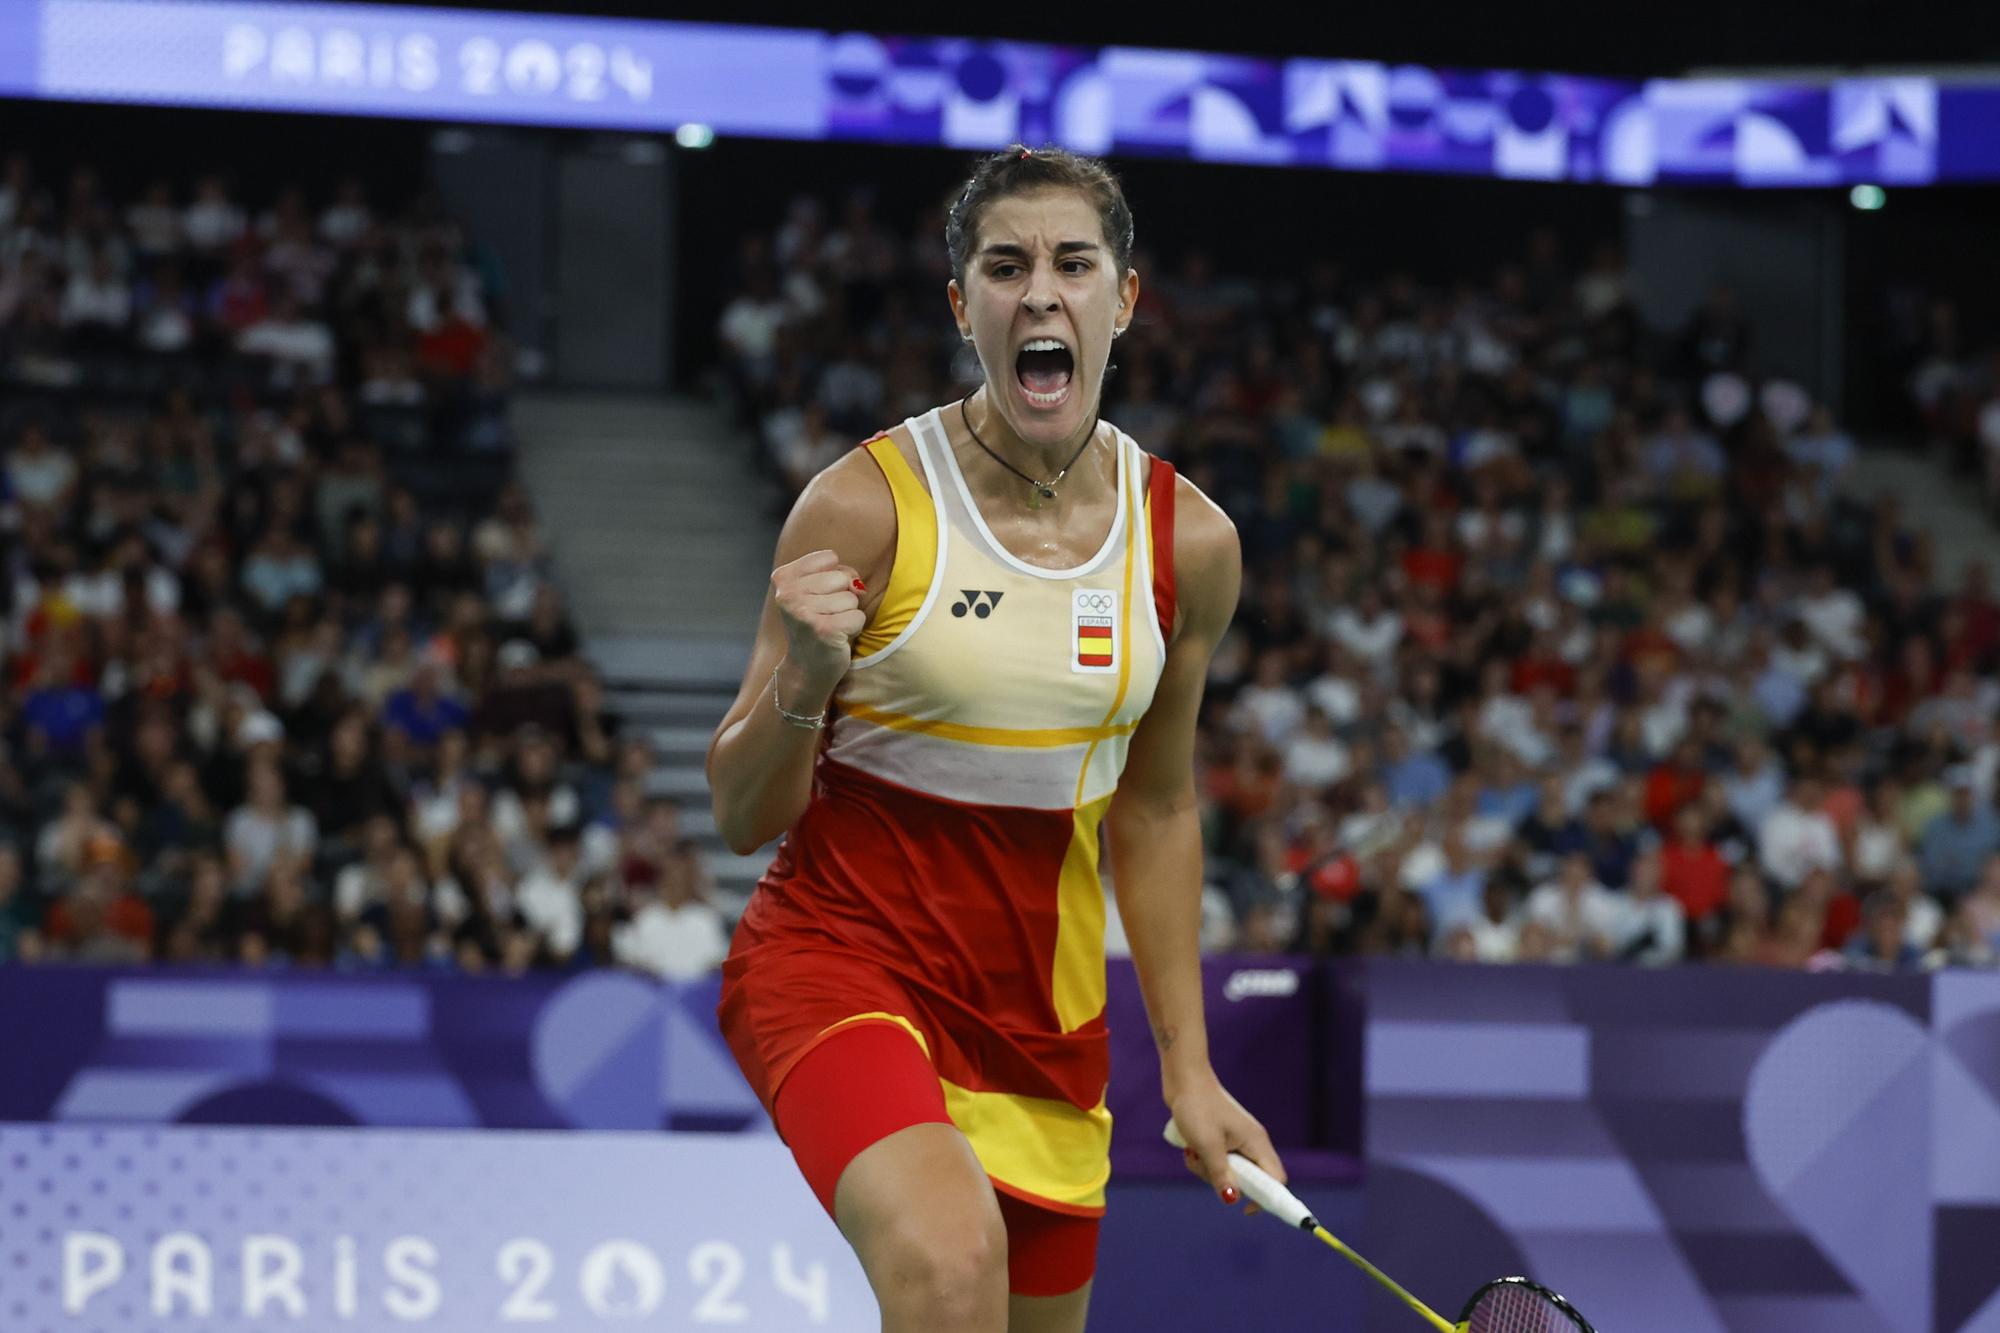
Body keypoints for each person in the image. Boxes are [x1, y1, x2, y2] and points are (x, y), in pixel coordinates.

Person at [707, 145, 1284, 1331]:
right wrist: (806, 681)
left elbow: (1158, 805)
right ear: (961, 303)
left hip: (1038, 1020)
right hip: (838, 965)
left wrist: (1189, 1067)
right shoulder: (864, 504)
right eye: (1005, 266)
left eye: (1074, 264)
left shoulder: (1189, 545)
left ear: (1121, 300)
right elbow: (739, 812)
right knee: (949, 1257)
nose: (1041, 293)